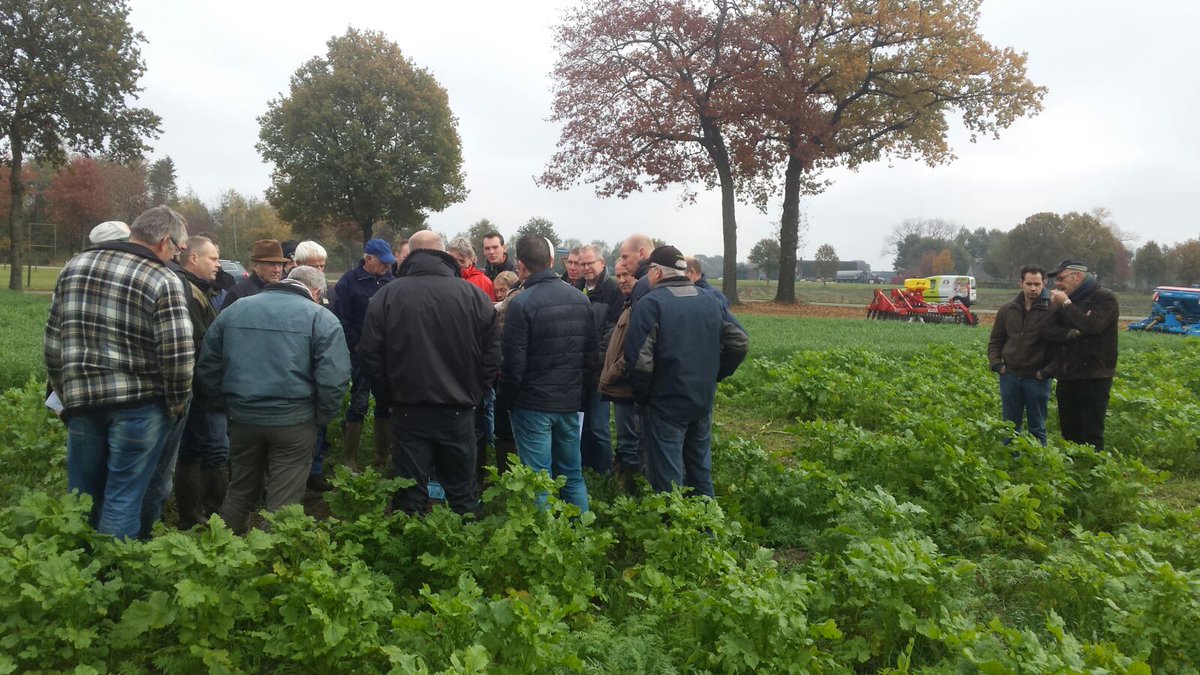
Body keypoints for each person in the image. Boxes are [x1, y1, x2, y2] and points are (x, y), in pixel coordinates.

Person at [44, 205, 193, 539]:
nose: (175, 257)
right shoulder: (162, 278)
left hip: (83, 401)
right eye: (177, 250)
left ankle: (79, 563)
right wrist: (176, 403)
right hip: (139, 406)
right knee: (123, 497)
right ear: (164, 242)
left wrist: (66, 394)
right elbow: (178, 355)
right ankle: (113, 569)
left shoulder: (74, 266)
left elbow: (53, 342)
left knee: (82, 496)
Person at [197, 266, 351, 534]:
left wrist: (224, 406)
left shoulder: (235, 310)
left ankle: (222, 548)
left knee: (240, 490)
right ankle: (270, 556)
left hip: (243, 418)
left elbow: (208, 365)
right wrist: (321, 417)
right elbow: (334, 378)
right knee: (283, 502)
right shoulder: (321, 318)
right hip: (294, 421)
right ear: (316, 292)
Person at [359, 230, 500, 516]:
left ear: (409, 256)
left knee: (410, 494)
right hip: (457, 408)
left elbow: (370, 356)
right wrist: (474, 394)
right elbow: (492, 358)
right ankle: (466, 539)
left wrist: (389, 397)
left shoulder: (386, 296)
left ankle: (412, 541)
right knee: (462, 493)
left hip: (409, 408)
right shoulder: (474, 296)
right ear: (444, 254)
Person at [625, 246, 749, 497]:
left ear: (656, 272)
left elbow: (640, 362)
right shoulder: (711, 301)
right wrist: (716, 373)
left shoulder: (650, 304)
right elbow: (740, 341)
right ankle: (708, 520)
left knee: (669, 482)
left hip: (665, 405)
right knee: (700, 473)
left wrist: (644, 397)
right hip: (702, 401)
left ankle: (675, 521)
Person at [499, 234, 598, 511]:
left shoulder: (521, 304)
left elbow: (513, 365)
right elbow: (591, 358)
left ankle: (543, 534)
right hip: (568, 404)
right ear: (552, 261)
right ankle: (581, 530)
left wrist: (505, 401)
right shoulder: (580, 300)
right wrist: (579, 397)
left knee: (537, 478)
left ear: (520, 264)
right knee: (572, 474)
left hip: (533, 405)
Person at [172, 235, 231, 528]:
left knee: (192, 449)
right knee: (214, 449)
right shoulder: (189, 291)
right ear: (193, 258)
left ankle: (193, 516)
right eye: (213, 258)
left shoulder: (199, 289)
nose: (218, 265)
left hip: (197, 386)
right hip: (201, 387)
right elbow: (200, 345)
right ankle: (214, 517)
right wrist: (211, 387)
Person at [332, 238, 397, 472]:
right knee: (358, 402)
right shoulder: (348, 282)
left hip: (385, 354)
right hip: (360, 353)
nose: (387, 266)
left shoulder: (392, 282)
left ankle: (382, 456)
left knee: (385, 402)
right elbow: (340, 316)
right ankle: (349, 458)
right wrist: (355, 344)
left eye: (389, 262)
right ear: (368, 259)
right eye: (383, 262)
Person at [1046, 259, 1120, 452]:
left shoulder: (1103, 298)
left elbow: (1091, 326)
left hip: (1094, 376)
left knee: (1091, 434)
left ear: (1077, 276)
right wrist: (1072, 333)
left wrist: (1067, 305)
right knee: (1069, 433)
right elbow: (1048, 331)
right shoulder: (1063, 301)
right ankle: (1073, 469)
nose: (1058, 284)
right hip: (1067, 375)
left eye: (1061, 278)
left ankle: (1092, 469)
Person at [448, 236, 499, 492]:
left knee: (476, 424)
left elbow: (490, 324)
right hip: (450, 359)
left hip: (474, 359)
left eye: (461, 260)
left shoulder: (483, 282)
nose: (457, 264)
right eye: (453, 259)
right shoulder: (446, 280)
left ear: (471, 259)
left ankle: (476, 474)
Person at [987, 264, 1057, 446]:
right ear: (1021, 283)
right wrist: (997, 364)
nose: (1033, 288)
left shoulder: (1053, 310)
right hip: (1010, 376)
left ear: (1044, 283)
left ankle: (1038, 459)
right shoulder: (1008, 310)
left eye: (1037, 284)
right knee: (1009, 427)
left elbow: (1061, 347)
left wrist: (1046, 372)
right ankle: (1009, 460)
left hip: (1037, 379)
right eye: (1029, 284)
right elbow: (996, 340)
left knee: (1037, 427)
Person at [293, 239, 336, 491]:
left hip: (320, 369)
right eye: (314, 266)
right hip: (298, 373)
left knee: (320, 425)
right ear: (297, 265)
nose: (320, 271)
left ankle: (316, 471)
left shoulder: (328, 292)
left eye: (322, 266)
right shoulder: (286, 295)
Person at [578, 244, 623, 473]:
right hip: (579, 370)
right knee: (582, 424)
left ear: (602, 263)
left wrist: (596, 360)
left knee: (598, 426)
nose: (586, 268)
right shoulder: (577, 288)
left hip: (599, 369)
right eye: (582, 264)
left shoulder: (613, 290)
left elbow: (612, 332)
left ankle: (604, 473)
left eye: (590, 263)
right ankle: (585, 468)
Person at [600, 258, 642, 493]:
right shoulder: (628, 303)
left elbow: (634, 352)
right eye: (618, 276)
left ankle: (633, 495)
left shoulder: (640, 306)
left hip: (627, 386)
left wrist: (611, 374)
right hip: (621, 387)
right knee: (626, 441)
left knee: (630, 443)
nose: (622, 280)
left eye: (627, 275)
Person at [220, 239, 288, 310]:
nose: (277, 270)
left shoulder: (284, 292)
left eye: (280, 264)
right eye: (271, 264)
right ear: (256, 266)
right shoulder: (238, 294)